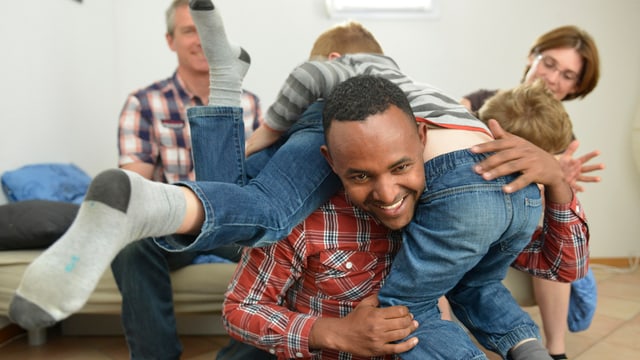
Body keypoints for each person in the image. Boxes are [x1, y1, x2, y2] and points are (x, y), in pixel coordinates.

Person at [9, 3, 587, 358]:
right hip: (289, 295)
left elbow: (555, 265)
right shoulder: (324, 163)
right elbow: (247, 292)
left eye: (401, 167)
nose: (386, 193)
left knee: (254, 209)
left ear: (420, 138)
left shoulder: (445, 168)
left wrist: (555, 181)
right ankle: (151, 211)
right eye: (359, 173)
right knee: (253, 220)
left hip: (251, 223)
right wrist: (331, 333)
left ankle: (162, 195)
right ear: (329, 159)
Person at [113, 0, 263, 358]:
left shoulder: (251, 104)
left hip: (232, 221)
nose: (199, 41)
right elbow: (135, 187)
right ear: (170, 41)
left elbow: (260, 179)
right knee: (130, 249)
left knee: (278, 248)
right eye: (188, 31)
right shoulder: (145, 103)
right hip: (174, 222)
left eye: (206, 31)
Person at [461, 25, 602, 360]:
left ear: (576, 87)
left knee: (556, 230)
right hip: (475, 223)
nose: (553, 78)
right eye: (549, 63)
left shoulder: (562, 137)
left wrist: (557, 183)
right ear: (532, 57)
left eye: (567, 75)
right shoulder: (482, 103)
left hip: (524, 237)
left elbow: (557, 209)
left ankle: (556, 351)